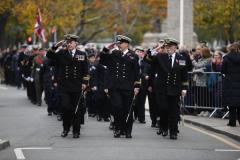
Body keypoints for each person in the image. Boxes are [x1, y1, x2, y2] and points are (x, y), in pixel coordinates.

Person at [46, 34, 89, 138]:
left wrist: (85, 84)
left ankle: (76, 131)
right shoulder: (61, 53)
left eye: (71, 42)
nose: (69, 44)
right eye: (68, 42)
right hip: (64, 86)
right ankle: (65, 128)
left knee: (76, 109)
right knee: (65, 107)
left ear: (76, 43)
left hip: (77, 86)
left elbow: (86, 71)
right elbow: (49, 55)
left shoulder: (82, 54)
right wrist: (56, 46)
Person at [100, 35, 140, 138]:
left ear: (126, 44)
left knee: (128, 109)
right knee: (117, 107)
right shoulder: (114, 53)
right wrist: (106, 49)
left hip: (128, 87)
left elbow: (136, 73)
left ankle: (127, 131)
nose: (118, 45)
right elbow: (103, 61)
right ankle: (118, 128)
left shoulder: (133, 56)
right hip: (116, 87)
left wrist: (137, 86)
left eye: (120, 43)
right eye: (118, 43)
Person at [151, 37, 188, 140]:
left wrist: (184, 88)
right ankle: (163, 127)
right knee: (163, 109)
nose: (168, 48)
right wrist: (159, 48)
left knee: (174, 112)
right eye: (166, 46)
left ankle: (173, 132)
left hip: (175, 88)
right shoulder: (160, 56)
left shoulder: (181, 58)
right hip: (162, 88)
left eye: (170, 46)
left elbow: (184, 74)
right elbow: (148, 59)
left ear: (175, 47)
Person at [221, 42, 240, 127]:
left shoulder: (226, 58)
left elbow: (223, 70)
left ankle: (232, 122)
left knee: (231, 104)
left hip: (230, 82)